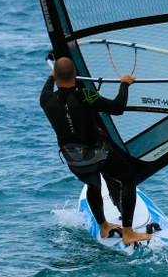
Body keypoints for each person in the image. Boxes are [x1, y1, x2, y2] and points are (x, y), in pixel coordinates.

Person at [40, 56, 151, 245]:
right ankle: (128, 232)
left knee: (93, 184)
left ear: (55, 75)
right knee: (128, 178)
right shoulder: (85, 95)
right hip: (98, 156)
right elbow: (117, 108)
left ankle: (104, 226)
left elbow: (49, 84)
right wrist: (125, 84)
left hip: (73, 160)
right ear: (75, 74)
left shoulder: (46, 99)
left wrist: (52, 77)